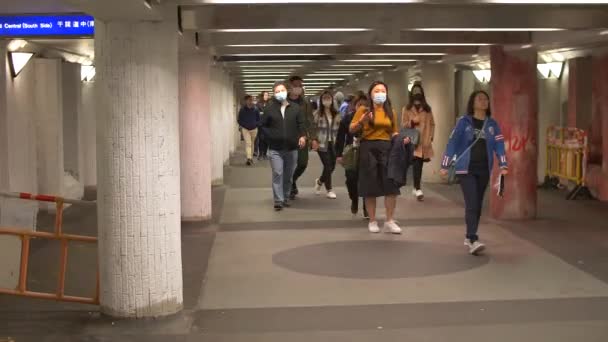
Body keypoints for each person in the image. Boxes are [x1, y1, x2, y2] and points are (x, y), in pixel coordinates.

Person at [440, 90, 508, 255]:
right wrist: (445, 164)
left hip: (484, 168)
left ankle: (469, 235)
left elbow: (499, 145)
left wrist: (503, 163)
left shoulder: (492, 124)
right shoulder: (464, 122)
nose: (484, 101)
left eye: (486, 99)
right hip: (466, 168)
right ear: (473, 102)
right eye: (480, 99)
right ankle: (472, 238)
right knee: (472, 202)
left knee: (477, 204)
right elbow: (453, 142)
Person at [350, 81, 411, 234]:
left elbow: (394, 132)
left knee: (391, 185)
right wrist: (361, 121)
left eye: (383, 90)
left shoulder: (391, 111)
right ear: (370, 94)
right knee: (370, 186)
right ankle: (372, 220)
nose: (380, 93)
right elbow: (351, 129)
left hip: (387, 148)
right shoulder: (364, 110)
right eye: (376, 91)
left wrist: (401, 139)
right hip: (368, 148)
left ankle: (389, 220)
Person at [261, 81, 307, 211]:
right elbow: (263, 125)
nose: (280, 93)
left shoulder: (295, 108)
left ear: (286, 91)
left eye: (282, 90)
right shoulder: (269, 109)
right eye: (277, 91)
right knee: (278, 173)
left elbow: (301, 124)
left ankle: (286, 197)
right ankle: (278, 200)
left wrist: (303, 136)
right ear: (274, 94)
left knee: (288, 175)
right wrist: (270, 136)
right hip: (275, 148)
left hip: (292, 148)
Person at [336, 91, 368, 217]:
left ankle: (366, 207)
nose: (361, 107)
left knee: (366, 180)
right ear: (354, 105)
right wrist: (338, 154)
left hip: (367, 151)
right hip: (351, 152)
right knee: (351, 180)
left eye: (364, 105)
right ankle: (354, 199)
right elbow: (340, 137)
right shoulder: (347, 118)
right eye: (359, 105)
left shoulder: (370, 117)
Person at [402, 93, 435, 201]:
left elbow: (432, 124)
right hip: (412, 140)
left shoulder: (427, 110)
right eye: (415, 99)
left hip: (423, 141)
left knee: (419, 165)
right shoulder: (406, 109)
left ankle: (417, 187)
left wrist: (431, 137)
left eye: (419, 99)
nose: (417, 102)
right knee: (415, 163)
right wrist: (412, 122)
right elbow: (403, 125)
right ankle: (417, 187)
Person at [288, 76, 315, 200]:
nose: (298, 88)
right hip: (287, 137)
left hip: (302, 137)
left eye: (300, 85)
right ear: (290, 86)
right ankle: (289, 186)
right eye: (296, 85)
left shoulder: (305, 102)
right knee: (288, 164)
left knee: (302, 163)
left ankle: (292, 180)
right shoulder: (283, 101)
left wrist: (313, 138)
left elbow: (310, 120)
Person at [311, 91, 341, 199]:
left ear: (332, 100)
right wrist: (313, 140)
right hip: (321, 143)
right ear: (321, 100)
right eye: (325, 98)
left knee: (332, 166)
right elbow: (312, 128)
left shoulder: (337, 114)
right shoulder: (317, 114)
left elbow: (340, 129)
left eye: (329, 98)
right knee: (327, 165)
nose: (327, 100)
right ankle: (329, 189)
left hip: (333, 142)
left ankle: (319, 181)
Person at [237, 95, 261, 166]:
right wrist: (243, 125)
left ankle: (251, 157)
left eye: (251, 100)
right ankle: (249, 158)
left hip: (254, 129)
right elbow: (239, 119)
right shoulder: (242, 110)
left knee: (252, 143)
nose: (250, 101)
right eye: (249, 100)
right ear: (246, 101)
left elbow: (259, 119)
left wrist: (256, 124)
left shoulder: (256, 109)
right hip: (245, 129)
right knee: (248, 143)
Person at [256, 91, 270, 160]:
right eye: (265, 95)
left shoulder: (270, 104)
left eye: (267, 95)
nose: (266, 96)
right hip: (261, 125)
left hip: (268, 125)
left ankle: (265, 154)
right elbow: (257, 113)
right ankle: (260, 154)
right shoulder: (258, 104)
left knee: (267, 140)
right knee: (261, 139)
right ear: (262, 96)